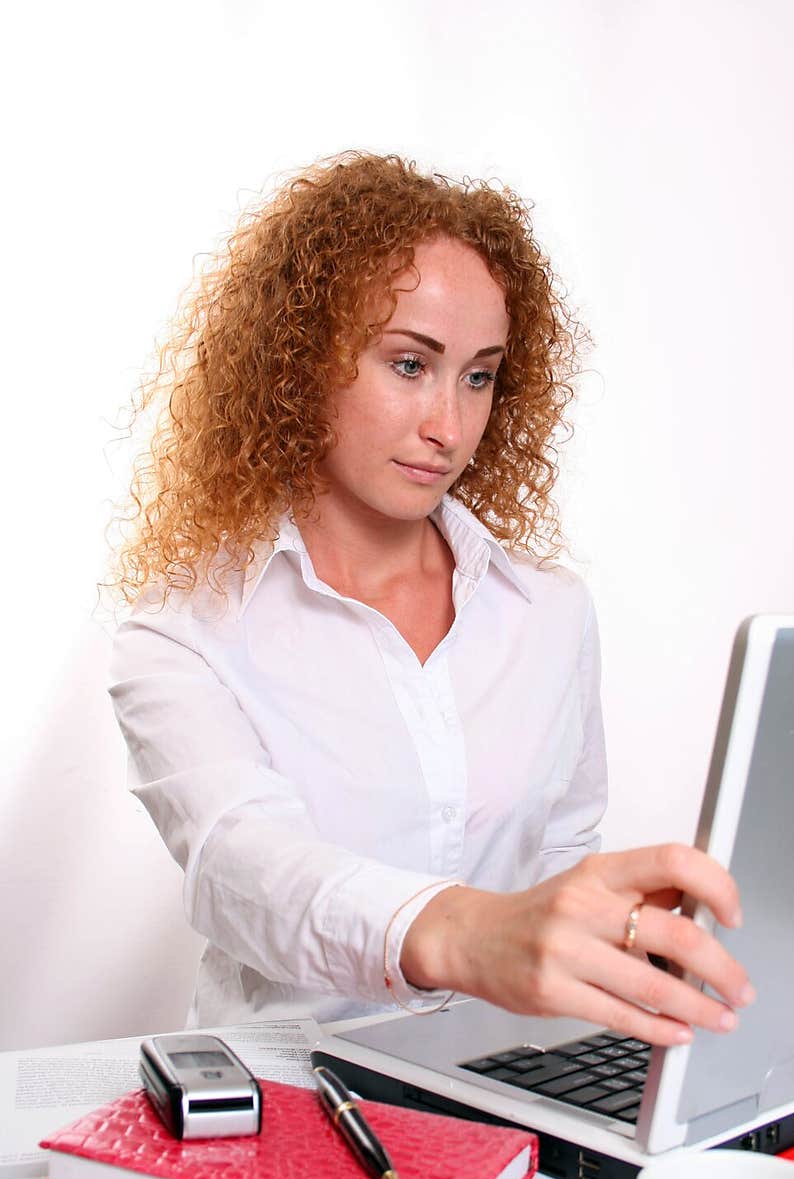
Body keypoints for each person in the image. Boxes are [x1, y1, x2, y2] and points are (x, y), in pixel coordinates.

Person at [106, 150, 754, 1044]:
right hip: (289, 1095)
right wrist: (462, 932)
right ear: (299, 362)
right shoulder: (184, 634)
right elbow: (244, 870)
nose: (448, 426)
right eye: (409, 365)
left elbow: (560, 858)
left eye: (479, 376)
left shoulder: (549, 615)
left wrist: (622, 948)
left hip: (511, 1085)